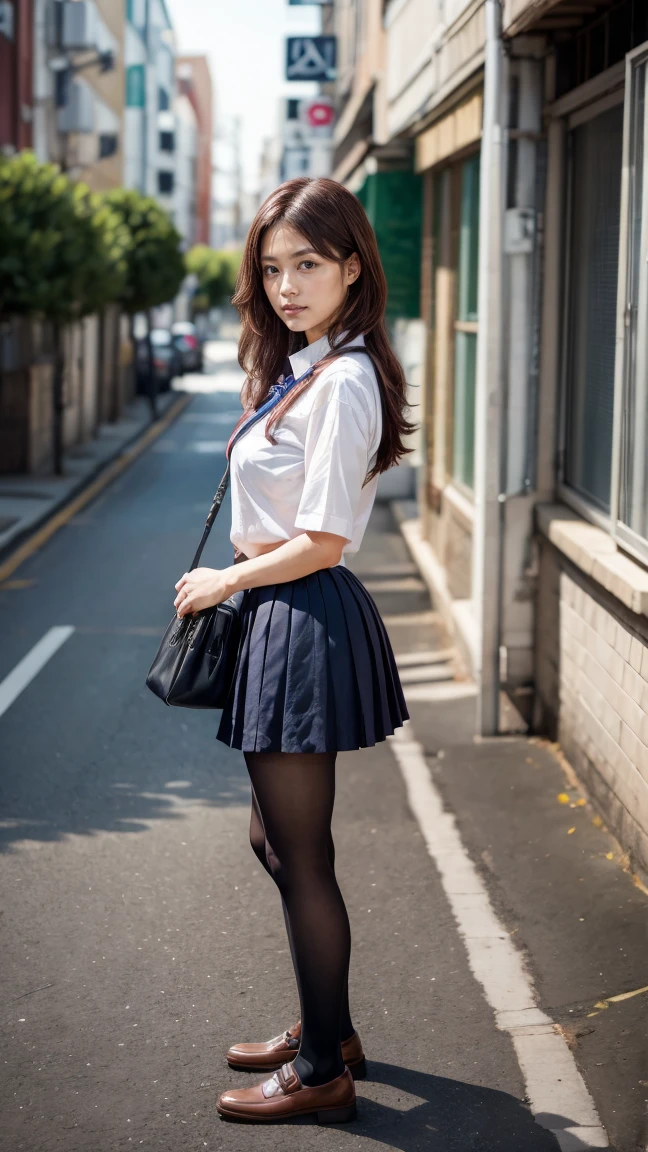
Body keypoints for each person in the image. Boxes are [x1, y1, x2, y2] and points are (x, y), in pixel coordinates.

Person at [173, 175, 415, 1124]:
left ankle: (321, 1071)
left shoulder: (345, 379)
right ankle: (331, 1030)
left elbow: (322, 539)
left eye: (308, 265)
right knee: (276, 841)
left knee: (300, 853)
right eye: (272, 268)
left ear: (353, 267)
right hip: (283, 614)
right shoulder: (309, 365)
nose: (287, 285)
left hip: (300, 609)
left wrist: (224, 581)